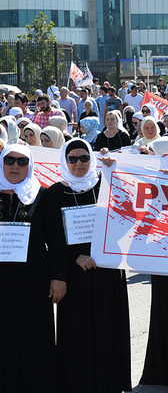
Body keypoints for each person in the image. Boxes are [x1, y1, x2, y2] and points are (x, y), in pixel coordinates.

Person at [49, 139, 131, 392]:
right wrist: (76, 257)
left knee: (108, 328)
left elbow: (129, 214)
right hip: (75, 274)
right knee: (78, 332)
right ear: (64, 161)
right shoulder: (54, 193)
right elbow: (53, 236)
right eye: (72, 159)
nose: (79, 164)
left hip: (107, 271)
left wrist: (114, 169)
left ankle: (109, 383)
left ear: (91, 159)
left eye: (84, 158)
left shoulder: (106, 184)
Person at [0, 144, 66, 392]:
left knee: (33, 336)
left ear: (30, 165)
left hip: (33, 281)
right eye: (9, 160)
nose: (15, 166)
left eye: (22, 162)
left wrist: (59, 276)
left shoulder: (42, 195)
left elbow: (56, 240)